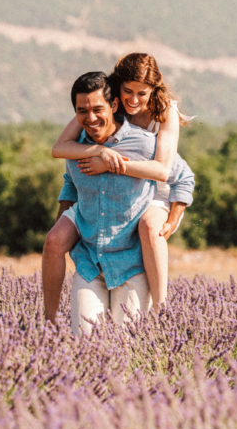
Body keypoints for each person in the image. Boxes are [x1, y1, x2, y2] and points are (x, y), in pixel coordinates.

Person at [45, 53, 193, 314]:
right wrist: (98, 152)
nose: (133, 100)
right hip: (109, 189)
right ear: (117, 93)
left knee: (150, 228)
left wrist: (173, 217)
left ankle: (162, 310)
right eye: (128, 92)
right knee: (55, 239)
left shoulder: (164, 111)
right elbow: (62, 152)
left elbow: (167, 170)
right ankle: (50, 319)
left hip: (157, 184)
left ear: (152, 91)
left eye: (142, 94)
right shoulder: (99, 107)